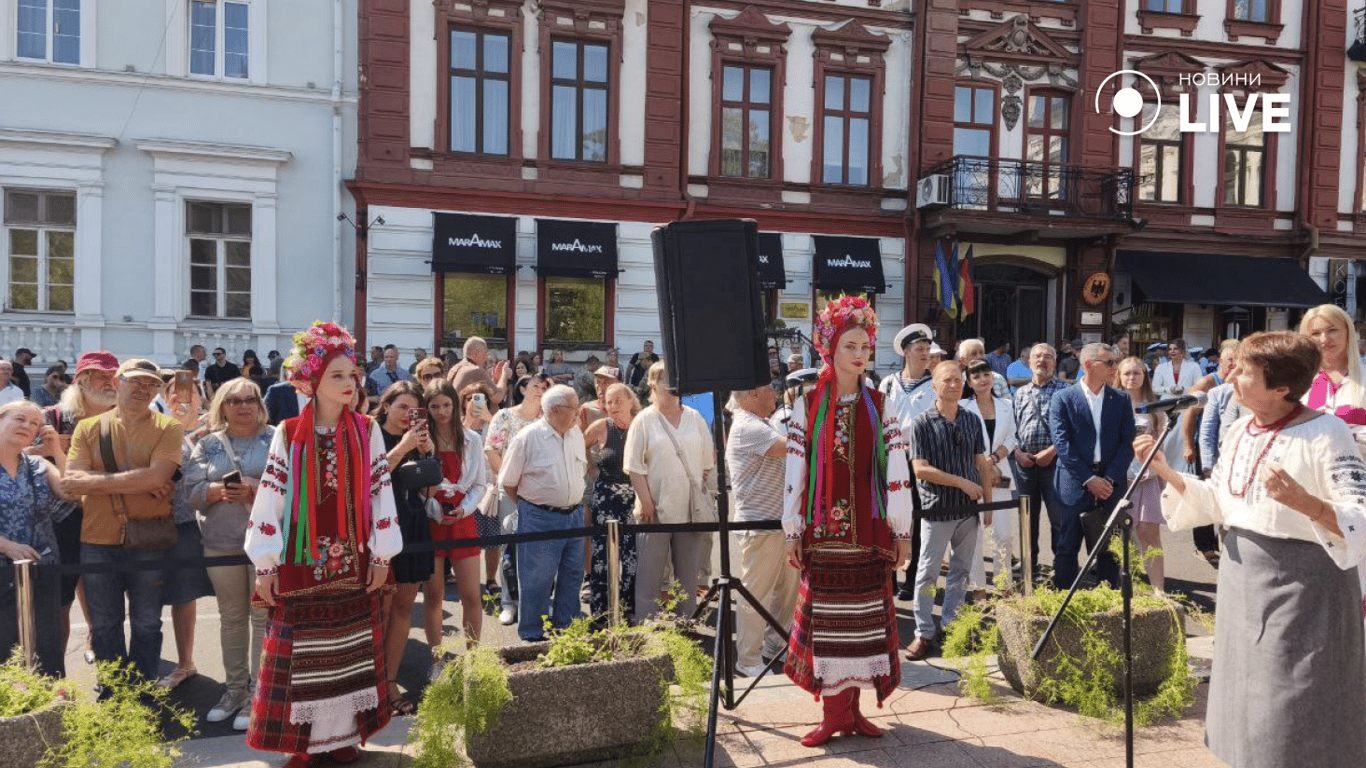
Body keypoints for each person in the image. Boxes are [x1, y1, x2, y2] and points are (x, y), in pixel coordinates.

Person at [1137, 331, 1366, 768]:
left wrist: (1308, 504)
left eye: (1245, 372)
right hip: (1243, 578)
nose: (1231, 377)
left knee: (1291, 694)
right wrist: (1166, 472)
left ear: (1281, 388)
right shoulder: (1241, 428)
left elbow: (1360, 515)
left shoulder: (1327, 432)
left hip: (1304, 587)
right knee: (1246, 689)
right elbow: (1221, 500)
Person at [244, 322, 402, 766]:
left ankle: (341, 738)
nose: (350, 383)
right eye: (337, 375)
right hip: (300, 561)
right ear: (312, 381)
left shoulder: (367, 429)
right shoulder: (289, 431)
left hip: (353, 560)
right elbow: (271, 497)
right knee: (303, 653)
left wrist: (382, 554)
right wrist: (265, 564)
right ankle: (304, 744)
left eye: (352, 375)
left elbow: (379, 492)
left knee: (348, 650)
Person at [782, 295, 912, 746]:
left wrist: (902, 533)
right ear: (830, 350)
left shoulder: (882, 405)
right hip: (822, 535)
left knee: (864, 626)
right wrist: (792, 530)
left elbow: (897, 473)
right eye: (850, 346)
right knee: (831, 628)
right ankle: (834, 714)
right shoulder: (807, 404)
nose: (859, 355)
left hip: (870, 534)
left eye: (865, 347)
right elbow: (796, 471)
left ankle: (853, 713)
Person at [61, 358, 184, 682]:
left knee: (146, 621)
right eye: (136, 382)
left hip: (149, 539)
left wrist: (96, 481)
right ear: (118, 382)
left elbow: (159, 477)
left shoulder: (168, 427)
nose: (144, 389)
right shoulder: (88, 427)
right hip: (97, 538)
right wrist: (142, 481)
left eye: (152, 384)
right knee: (103, 622)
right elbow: (71, 480)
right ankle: (114, 688)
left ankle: (142, 687)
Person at [187, 378, 274, 730]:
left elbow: (295, 487)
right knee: (231, 617)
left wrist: (255, 489)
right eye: (234, 400)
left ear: (259, 404)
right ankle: (234, 690)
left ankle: (258, 694)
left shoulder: (277, 438)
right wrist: (217, 491)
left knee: (260, 618)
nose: (242, 406)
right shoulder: (206, 444)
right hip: (221, 541)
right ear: (222, 406)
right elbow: (189, 493)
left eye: (249, 399)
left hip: (265, 545)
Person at [904, 362, 992, 661]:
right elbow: (920, 469)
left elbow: (981, 463)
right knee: (927, 574)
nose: (954, 384)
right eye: (947, 380)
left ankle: (952, 627)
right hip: (937, 510)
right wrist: (961, 483)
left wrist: (987, 502)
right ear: (934, 385)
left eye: (958, 379)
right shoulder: (922, 423)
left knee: (961, 573)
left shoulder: (970, 419)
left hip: (968, 512)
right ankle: (923, 632)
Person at [42, 350, 118, 664]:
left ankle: (95, 640)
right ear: (82, 380)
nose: (110, 382)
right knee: (59, 598)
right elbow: (20, 456)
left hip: (107, 512)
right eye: (102, 375)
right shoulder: (52, 416)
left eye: (114, 375)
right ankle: (53, 670)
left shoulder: (123, 419)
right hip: (61, 518)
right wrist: (45, 448)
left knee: (103, 591)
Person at [498, 384, 587, 642]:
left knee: (572, 576)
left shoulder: (575, 434)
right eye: (574, 407)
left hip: (574, 516)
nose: (578, 413)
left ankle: (566, 631)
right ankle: (532, 636)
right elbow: (508, 481)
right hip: (540, 516)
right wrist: (532, 508)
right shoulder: (528, 437)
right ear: (555, 410)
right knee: (536, 579)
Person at [625, 362, 714, 620]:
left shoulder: (695, 418)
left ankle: (686, 625)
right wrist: (646, 501)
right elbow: (634, 467)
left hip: (689, 510)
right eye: (667, 379)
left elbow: (706, 463)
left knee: (687, 577)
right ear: (653, 385)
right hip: (655, 510)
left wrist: (695, 481)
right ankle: (648, 626)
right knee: (649, 577)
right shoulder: (644, 420)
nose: (674, 385)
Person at [1048, 343, 1135, 591]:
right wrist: (1089, 480)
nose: (1115, 367)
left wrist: (1107, 479)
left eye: (1115, 362)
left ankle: (1107, 600)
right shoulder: (1063, 398)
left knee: (1109, 547)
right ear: (1088, 365)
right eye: (1109, 362)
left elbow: (1126, 444)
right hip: (1075, 483)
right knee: (1067, 545)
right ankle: (1063, 601)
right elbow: (1062, 445)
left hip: (1111, 484)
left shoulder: (1120, 399)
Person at [726, 382, 795, 678]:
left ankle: (776, 647)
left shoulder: (761, 422)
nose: (776, 395)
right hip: (760, 525)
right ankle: (748, 660)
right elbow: (789, 448)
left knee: (786, 593)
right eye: (771, 390)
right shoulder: (746, 426)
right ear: (753, 394)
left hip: (780, 523)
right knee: (755, 596)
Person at [374, 380, 434, 717]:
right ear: (386, 406)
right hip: (380, 529)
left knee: (402, 610)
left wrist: (426, 454)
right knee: (380, 609)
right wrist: (403, 447)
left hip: (412, 524)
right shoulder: (371, 434)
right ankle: (369, 682)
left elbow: (430, 485)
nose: (405, 416)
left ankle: (389, 680)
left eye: (413, 411)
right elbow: (371, 476)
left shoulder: (418, 440)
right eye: (401, 408)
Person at [0, 400, 69, 675]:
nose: (27, 426)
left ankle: (50, 710)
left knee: (46, 645)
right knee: (4, 645)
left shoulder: (39, 465)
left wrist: (58, 452)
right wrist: (6, 546)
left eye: (35, 424)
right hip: (3, 571)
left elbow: (71, 492)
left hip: (42, 569)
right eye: (20, 419)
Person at [422, 381, 488, 669]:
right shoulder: (422, 439)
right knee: (434, 595)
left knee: (471, 595)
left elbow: (479, 484)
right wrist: (436, 510)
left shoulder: (472, 439)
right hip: (431, 521)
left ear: (455, 404)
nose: (441, 412)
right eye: (434, 406)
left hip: (464, 520)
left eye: (446, 405)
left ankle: (473, 657)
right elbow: (419, 486)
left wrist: (463, 509)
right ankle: (436, 659)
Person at [157, 371, 215, 691]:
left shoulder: (211, 433)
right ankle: (145, 662)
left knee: (184, 596)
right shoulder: (158, 428)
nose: (183, 400)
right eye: (176, 395)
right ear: (167, 399)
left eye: (190, 394)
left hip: (187, 525)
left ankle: (184, 663)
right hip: (150, 524)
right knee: (146, 599)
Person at [877, 323, 935, 599]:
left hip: (923, 459)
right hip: (893, 459)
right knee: (892, 519)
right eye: (919, 349)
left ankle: (913, 580)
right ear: (906, 353)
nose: (925, 354)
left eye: (927, 349)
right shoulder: (888, 383)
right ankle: (889, 577)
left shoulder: (935, 383)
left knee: (921, 522)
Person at [484, 373, 547, 626]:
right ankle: (509, 603)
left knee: (539, 550)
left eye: (545, 387)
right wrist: (509, 482)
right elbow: (492, 451)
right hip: (510, 492)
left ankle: (535, 603)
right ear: (523, 388)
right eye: (535, 385)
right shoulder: (504, 416)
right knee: (510, 547)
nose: (539, 390)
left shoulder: (548, 419)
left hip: (540, 494)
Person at [960, 359, 1017, 598]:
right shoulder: (962, 406)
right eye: (976, 376)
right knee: (975, 535)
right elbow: (962, 442)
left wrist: (992, 461)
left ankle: (1004, 584)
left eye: (986, 374)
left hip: (1000, 475)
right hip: (972, 476)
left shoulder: (1006, 404)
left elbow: (1012, 439)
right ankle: (978, 588)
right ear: (969, 383)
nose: (983, 379)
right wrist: (982, 464)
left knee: (1003, 534)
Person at [583, 382, 640, 621]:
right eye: (609, 401)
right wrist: (592, 468)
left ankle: (628, 614)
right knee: (603, 557)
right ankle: (601, 614)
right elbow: (579, 447)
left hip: (636, 499)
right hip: (606, 499)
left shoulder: (642, 424)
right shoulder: (601, 426)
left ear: (631, 402)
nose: (613, 406)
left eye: (618, 400)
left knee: (632, 557)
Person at [1011, 343, 1066, 581]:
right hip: (1025, 464)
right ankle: (1028, 566)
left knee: (1058, 520)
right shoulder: (1020, 393)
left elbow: (1073, 430)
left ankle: (1061, 567)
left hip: (1054, 464)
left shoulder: (1065, 392)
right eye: (1037, 356)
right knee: (1027, 520)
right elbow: (1011, 428)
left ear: (1055, 362)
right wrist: (1016, 453)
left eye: (1048, 357)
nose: (1042, 360)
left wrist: (1052, 452)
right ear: (1029, 362)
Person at [1117, 357, 1167, 593]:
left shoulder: (1155, 407)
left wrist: (1166, 479)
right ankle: (1128, 590)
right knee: (1122, 536)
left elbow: (1162, 446)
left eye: (1137, 373)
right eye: (1126, 373)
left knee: (1149, 532)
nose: (1131, 378)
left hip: (1147, 477)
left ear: (1144, 376)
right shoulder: (1111, 403)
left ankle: (1158, 590)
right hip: (1119, 477)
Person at [449, 337, 511, 410]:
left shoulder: (454, 369)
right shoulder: (476, 370)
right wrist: (504, 374)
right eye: (485, 353)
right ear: (477, 353)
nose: (486, 358)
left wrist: (496, 379)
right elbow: (497, 397)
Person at [578, 365, 618, 431]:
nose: (601, 387)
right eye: (598, 382)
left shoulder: (627, 409)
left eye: (606, 383)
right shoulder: (587, 409)